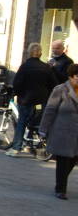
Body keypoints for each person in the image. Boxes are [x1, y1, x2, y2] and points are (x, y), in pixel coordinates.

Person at [6, 42, 57, 157]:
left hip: (26, 99)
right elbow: (54, 84)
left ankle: (16, 148)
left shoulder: (24, 66)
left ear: (29, 53)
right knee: (37, 121)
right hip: (41, 100)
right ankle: (35, 143)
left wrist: (18, 94)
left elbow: (17, 83)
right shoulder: (46, 67)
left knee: (22, 122)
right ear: (40, 53)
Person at [39, 63, 78, 199]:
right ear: (71, 77)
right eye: (77, 76)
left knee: (73, 159)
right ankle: (60, 189)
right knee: (63, 159)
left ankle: (61, 180)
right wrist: (43, 129)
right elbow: (50, 109)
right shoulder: (60, 89)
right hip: (63, 131)